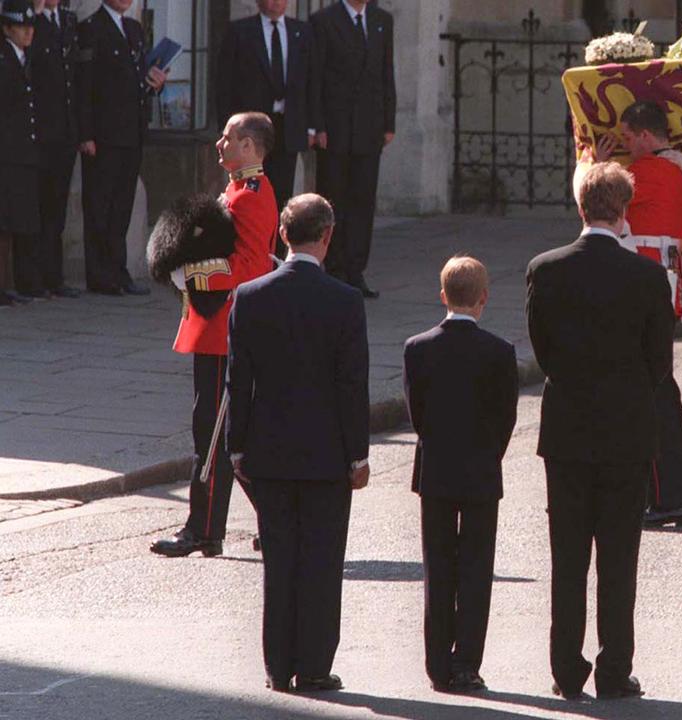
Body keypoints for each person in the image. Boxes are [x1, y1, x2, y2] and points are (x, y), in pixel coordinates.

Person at [526, 161, 673, 701]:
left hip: (567, 429)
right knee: (618, 559)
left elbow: (543, 352)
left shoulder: (546, 268)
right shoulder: (646, 275)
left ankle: (566, 668)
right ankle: (614, 670)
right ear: (624, 210)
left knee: (568, 558)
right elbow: (659, 362)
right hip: (626, 429)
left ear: (581, 206)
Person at [226, 193, 369, 693]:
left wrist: (236, 447)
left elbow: (236, 381)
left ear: (282, 236)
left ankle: (276, 665)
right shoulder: (346, 301)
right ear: (326, 236)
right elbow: (352, 386)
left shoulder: (250, 296)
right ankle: (312, 663)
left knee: (279, 560)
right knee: (322, 561)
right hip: (327, 452)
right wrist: (359, 454)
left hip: (268, 450)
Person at [150, 112, 279, 558]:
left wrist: (191, 273)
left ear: (249, 146)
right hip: (214, 325)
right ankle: (275, 520)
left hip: (227, 327)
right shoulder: (239, 189)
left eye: (228, 138)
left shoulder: (251, 196)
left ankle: (204, 529)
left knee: (214, 433)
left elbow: (251, 265)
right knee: (221, 433)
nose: (219, 144)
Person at [581, 99, 682, 526]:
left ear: (646, 136)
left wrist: (593, 167)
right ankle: (681, 490)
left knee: (649, 392)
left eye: (630, 138)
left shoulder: (650, 171)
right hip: (665, 286)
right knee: (660, 387)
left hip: (639, 288)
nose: (624, 145)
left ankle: (668, 492)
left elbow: (596, 205)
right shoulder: (679, 170)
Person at [403, 255, 518, 694]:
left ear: (442, 296)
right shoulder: (499, 351)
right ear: (484, 298)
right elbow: (505, 418)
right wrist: (489, 455)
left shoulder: (418, 347)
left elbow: (418, 414)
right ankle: (467, 661)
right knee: (475, 567)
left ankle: (437, 664)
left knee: (438, 565)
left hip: (436, 470)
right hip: (481, 470)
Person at [76, 0, 167, 296]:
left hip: (131, 132)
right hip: (103, 134)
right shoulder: (91, 28)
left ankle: (118, 269)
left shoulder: (134, 28)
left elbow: (138, 74)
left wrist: (156, 82)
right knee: (99, 204)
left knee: (121, 206)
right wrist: (86, 133)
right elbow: (84, 84)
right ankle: (100, 274)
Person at [309, 0, 395, 299]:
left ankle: (356, 269)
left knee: (363, 199)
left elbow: (386, 73)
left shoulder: (381, 19)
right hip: (334, 130)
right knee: (333, 199)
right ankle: (333, 269)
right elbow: (315, 77)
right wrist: (317, 125)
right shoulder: (323, 20)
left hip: (369, 128)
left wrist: (388, 122)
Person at [216, 0, 315, 220]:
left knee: (282, 195)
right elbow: (224, 85)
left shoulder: (302, 32)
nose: (275, 2)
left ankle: (276, 250)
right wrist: (227, 133)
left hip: (288, 126)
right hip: (250, 132)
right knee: (250, 193)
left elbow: (312, 81)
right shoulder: (240, 31)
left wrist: (311, 126)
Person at [30, 0, 80, 298]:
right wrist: (35, 15)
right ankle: (34, 278)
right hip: (40, 132)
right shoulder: (29, 20)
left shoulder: (68, 21)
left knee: (56, 209)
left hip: (65, 132)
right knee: (37, 207)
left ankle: (54, 276)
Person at [0, 0, 38, 307]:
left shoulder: (25, 58)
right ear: (7, 29)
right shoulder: (5, 59)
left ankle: (15, 283)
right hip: (7, 151)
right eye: (21, 27)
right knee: (4, 222)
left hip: (23, 150)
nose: (28, 33)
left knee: (18, 218)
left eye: (30, 27)